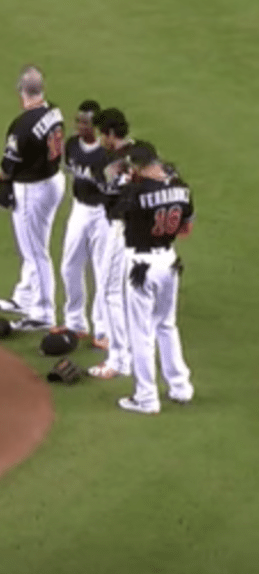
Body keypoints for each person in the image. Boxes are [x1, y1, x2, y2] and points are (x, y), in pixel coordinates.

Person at [111, 141, 195, 414]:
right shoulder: (182, 187)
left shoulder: (134, 192)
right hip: (169, 261)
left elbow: (114, 212)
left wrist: (123, 183)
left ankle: (146, 398)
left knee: (141, 332)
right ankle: (180, 386)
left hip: (141, 264)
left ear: (136, 165)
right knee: (166, 325)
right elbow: (186, 228)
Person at [0, 66, 66, 330]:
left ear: (21, 91)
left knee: (35, 251)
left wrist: (2, 181)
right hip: (53, 181)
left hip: (33, 189)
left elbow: (6, 167)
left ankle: (43, 312)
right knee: (35, 245)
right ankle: (24, 297)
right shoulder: (54, 112)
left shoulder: (22, 125)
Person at [87, 108, 135, 378]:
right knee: (131, 295)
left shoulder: (115, 162)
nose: (100, 139)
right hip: (143, 233)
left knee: (110, 291)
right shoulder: (142, 152)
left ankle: (119, 360)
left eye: (102, 134)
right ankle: (127, 354)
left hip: (122, 230)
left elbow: (108, 190)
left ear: (111, 133)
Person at [58, 100, 111, 343]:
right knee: (69, 265)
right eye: (78, 121)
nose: (80, 126)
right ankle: (75, 322)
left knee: (103, 271)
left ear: (96, 126)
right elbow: (70, 171)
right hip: (79, 209)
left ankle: (103, 329)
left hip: (102, 214)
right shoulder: (71, 146)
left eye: (86, 123)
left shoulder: (107, 154)